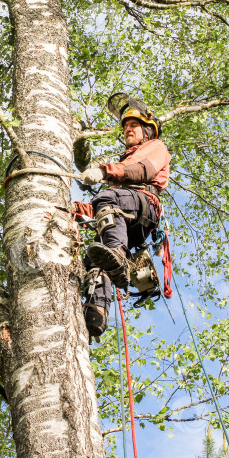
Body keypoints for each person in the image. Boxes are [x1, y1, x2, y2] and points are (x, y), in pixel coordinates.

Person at [72, 93, 171, 338]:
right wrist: (70, 209)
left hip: (142, 208)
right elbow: (101, 208)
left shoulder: (156, 148)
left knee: (106, 201)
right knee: (95, 261)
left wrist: (104, 171)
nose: (127, 129)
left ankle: (116, 253)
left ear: (148, 130)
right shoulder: (122, 170)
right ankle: (96, 314)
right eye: (125, 126)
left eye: (133, 125)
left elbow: (140, 171)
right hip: (125, 216)